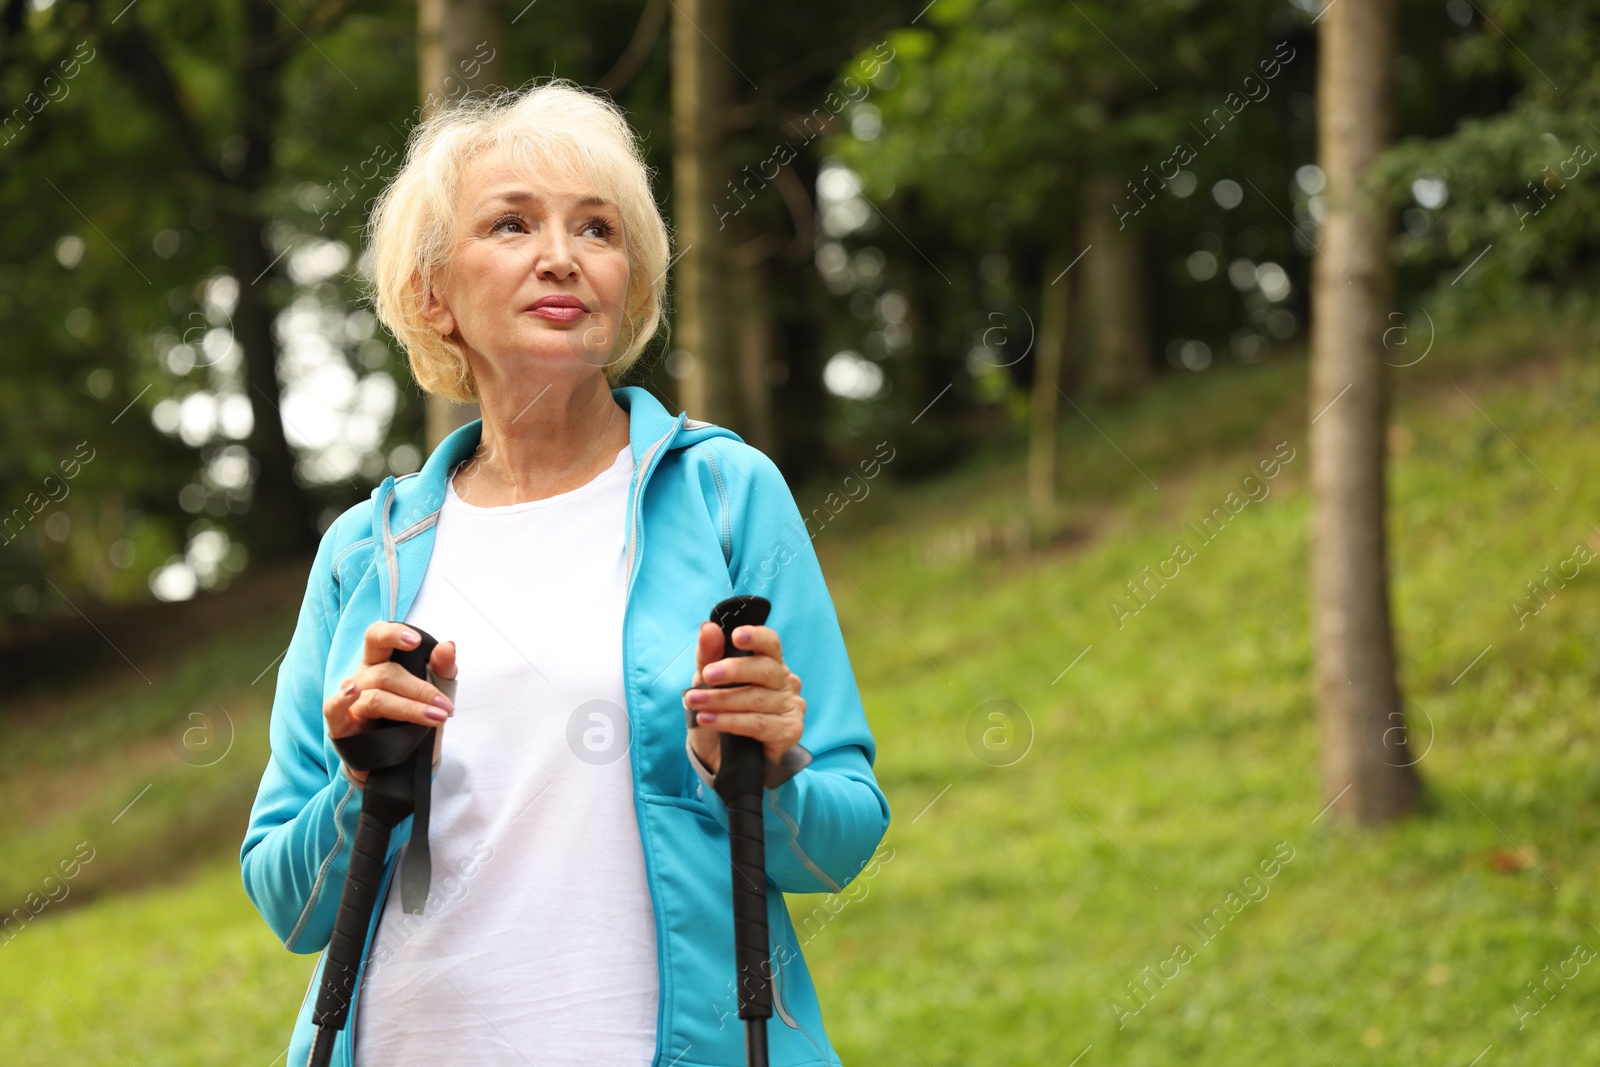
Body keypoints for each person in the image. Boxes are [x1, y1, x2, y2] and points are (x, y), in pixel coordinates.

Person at [239, 79, 890, 1067]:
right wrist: (357, 780)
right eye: (511, 223)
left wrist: (754, 762)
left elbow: (836, 843)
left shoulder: (722, 492)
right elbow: (293, 906)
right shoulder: (366, 552)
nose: (561, 255)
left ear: (629, 280)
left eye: (596, 228)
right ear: (431, 293)